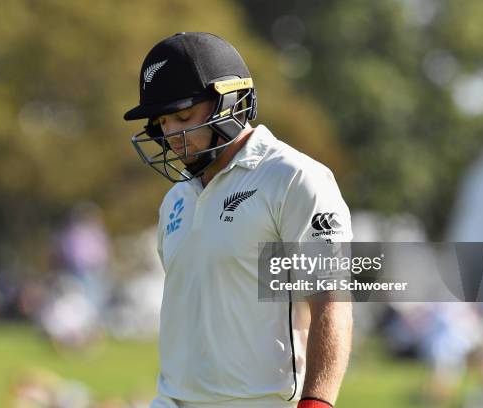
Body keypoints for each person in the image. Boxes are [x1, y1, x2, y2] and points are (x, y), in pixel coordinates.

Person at [124, 32, 353, 408]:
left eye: (183, 116)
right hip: (171, 399)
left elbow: (330, 300)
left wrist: (318, 402)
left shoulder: (291, 178)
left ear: (228, 102)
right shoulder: (175, 199)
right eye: (162, 122)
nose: (171, 135)